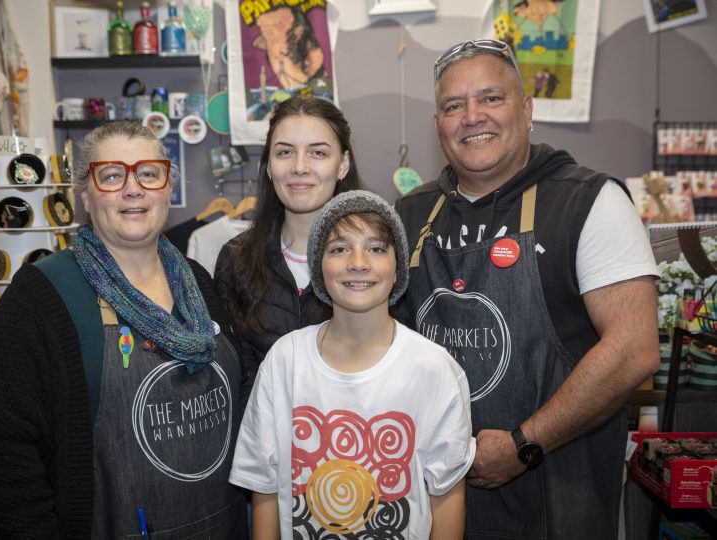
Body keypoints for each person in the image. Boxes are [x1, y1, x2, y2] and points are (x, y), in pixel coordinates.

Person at [395, 39, 660, 539]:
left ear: (526, 109)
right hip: (434, 499)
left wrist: (523, 444)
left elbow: (634, 350)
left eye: (491, 98)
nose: (473, 116)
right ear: (438, 126)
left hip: (558, 490)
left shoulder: (589, 201)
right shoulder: (409, 214)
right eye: (454, 106)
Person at [0, 121, 247, 538]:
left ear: (168, 187)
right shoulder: (40, 298)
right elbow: (2, 456)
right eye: (112, 175)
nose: (133, 189)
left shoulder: (200, 282)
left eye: (148, 173)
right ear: (85, 196)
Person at [230, 190, 474, 538]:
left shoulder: (433, 369)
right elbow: (264, 488)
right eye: (339, 249)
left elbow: (447, 495)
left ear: (397, 267)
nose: (358, 262)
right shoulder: (285, 360)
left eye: (376, 248)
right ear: (320, 268)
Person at [215, 95, 361, 395]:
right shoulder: (236, 260)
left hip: (352, 434)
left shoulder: (372, 261)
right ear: (268, 166)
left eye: (318, 153)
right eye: (285, 152)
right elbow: (230, 379)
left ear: (343, 164)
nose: (299, 167)